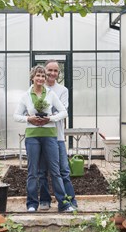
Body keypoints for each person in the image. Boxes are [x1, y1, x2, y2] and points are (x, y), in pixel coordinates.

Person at [13, 65, 76, 213]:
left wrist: (50, 119)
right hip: (32, 137)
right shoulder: (26, 96)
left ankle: (64, 204)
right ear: (32, 78)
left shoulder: (50, 94)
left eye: (43, 76)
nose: (41, 78)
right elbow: (16, 116)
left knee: (55, 171)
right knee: (33, 172)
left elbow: (63, 112)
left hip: (50, 136)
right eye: (38, 76)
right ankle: (32, 203)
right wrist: (29, 118)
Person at [38, 60, 78, 210]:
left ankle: (70, 200)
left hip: (58, 136)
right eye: (50, 70)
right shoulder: (37, 88)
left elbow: (63, 111)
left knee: (64, 170)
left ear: (58, 73)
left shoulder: (63, 90)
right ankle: (44, 200)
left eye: (55, 71)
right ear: (44, 70)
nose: (52, 73)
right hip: (41, 135)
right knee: (42, 171)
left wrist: (48, 115)